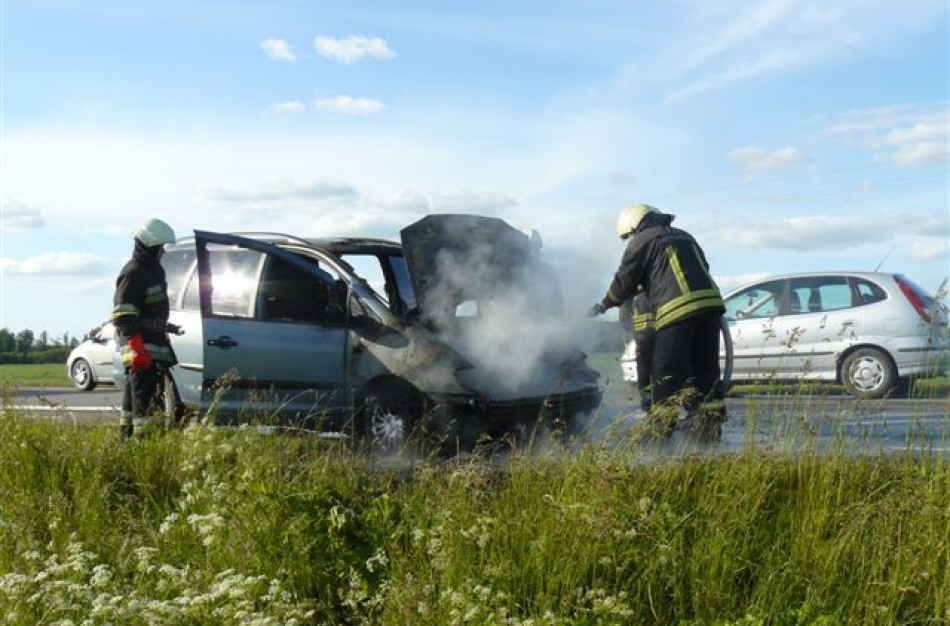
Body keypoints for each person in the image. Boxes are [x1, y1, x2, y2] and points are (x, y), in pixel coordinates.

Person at [589, 203, 726, 440]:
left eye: (629, 235)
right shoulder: (685, 236)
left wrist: (604, 304)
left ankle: (659, 433)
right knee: (705, 371)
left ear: (634, 226)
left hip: (678, 311)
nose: (630, 239)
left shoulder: (642, 241)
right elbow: (702, 267)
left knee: (665, 372)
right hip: (711, 308)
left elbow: (625, 280)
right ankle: (708, 428)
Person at [112, 218, 180, 439]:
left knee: (138, 403)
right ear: (149, 246)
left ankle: (129, 444)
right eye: (160, 248)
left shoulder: (154, 271)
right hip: (141, 350)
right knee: (146, 406)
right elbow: (123, 316)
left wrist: (165, 326)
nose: (163, 252)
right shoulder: (133, 272)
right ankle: (143, 446)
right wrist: (136, 347)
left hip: (154, 347)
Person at [619, 289, 655, 412]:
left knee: (646, 373)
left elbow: (625, 318)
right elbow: (625, 318)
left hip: (644, 338)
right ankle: (648, 405)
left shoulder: (634, 296)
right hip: (644, 338)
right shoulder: (637, 296)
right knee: (648, 373)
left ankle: (648, 405)